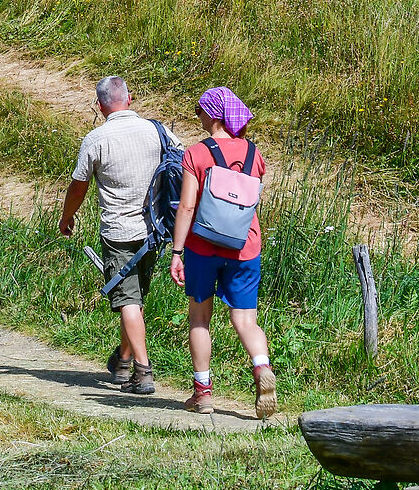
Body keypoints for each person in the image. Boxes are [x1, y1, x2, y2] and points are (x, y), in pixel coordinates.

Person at [170, 86, 276, 417]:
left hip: (203, 246)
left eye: (200, 111)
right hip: (245, 245)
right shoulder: (254, 153)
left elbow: (187, 206)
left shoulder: (196, 153)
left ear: (214, 114)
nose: (198, 116)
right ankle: (261, 368)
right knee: (245, 318)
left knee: (200, 318)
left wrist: (176, 251)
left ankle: (202, 394)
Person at [59, 75, 166, 396]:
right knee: (134, 299)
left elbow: (79, 186)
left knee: (128, 301)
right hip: (154, 230)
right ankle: (122, 361)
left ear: (99, 105)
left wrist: (67, 216)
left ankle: (142, 373)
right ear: (129, 99)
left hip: (119, 232)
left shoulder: (96, 139)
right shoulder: (158, 131)